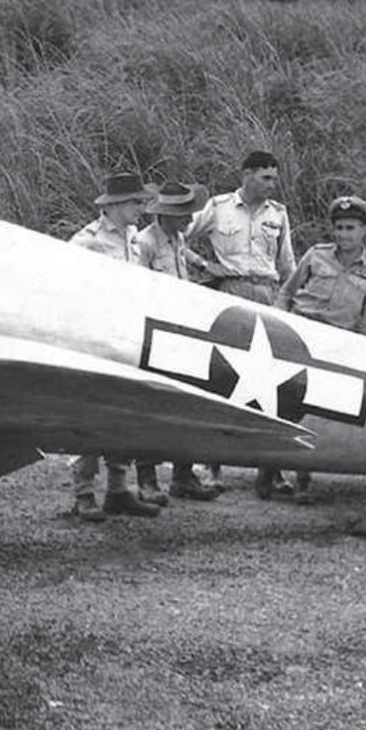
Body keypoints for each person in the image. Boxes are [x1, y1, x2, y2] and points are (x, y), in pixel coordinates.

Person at [186, 150, 297, 498]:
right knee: (222, 376)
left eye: (274, 178)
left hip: (267, 293)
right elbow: (177, 236)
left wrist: (288, 307)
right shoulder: (219, 207)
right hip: (230, 294)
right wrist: (203, 265)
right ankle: (212, 465)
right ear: (246, 174)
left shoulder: (278, 214)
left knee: (272, 383)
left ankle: (270, 472)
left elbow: (287, 263)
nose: (272, 184)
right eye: (265, 177)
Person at [66, 172, 163, 522]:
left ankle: (118, 490)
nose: (142, 208)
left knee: (127, 415)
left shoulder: (134, 239)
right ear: (118, 205)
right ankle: (83, 494)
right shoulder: (87, 241)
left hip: (130, 338)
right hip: (97, 339)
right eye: (137, 202)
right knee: (91, 417)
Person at [279, 195, 366, 504]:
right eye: (339, 228)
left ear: (364, 230)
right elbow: (287, 293)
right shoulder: (316, 256)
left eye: (350, 228)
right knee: (282, 401)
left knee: (313, 412)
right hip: (299, 339)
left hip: (335, 347)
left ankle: (303, 476)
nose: (343, 235)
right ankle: (267, 473)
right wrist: (280, 325)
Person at [132, 182, 221, 502]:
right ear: (167, 215)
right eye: (184, 214)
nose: (190, 219)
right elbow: (135, 287)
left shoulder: (176, 238)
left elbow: (183, 254)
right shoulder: (144, 244)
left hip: (183, 333)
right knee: (152, 406)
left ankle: (183, 475)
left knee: (186, 402)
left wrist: (202, 265)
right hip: (155, 336)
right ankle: (147, 479)